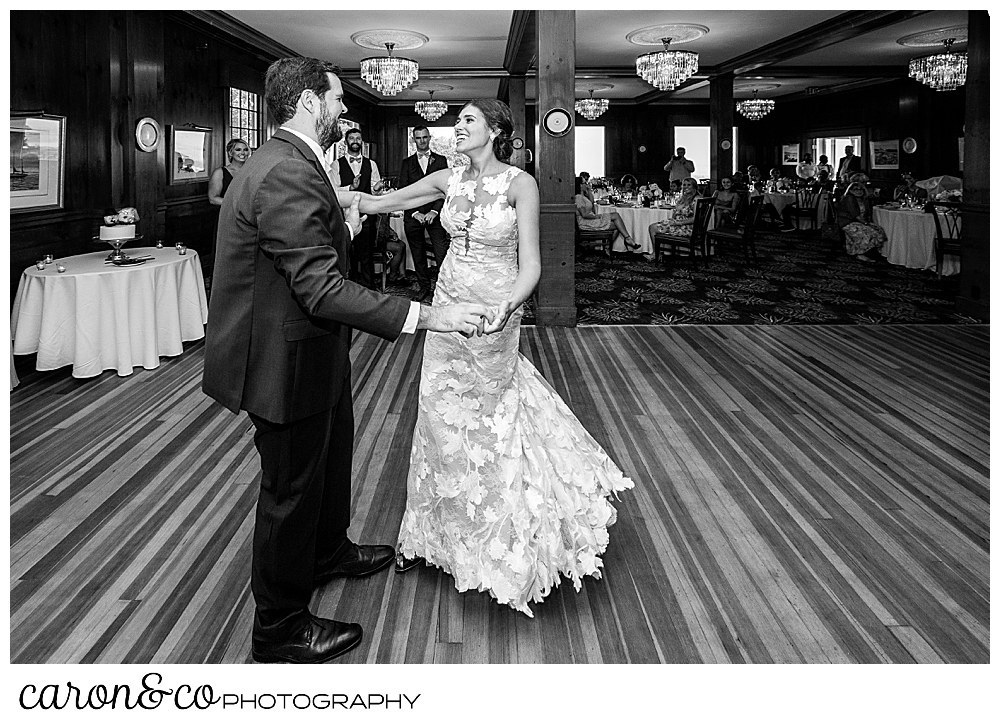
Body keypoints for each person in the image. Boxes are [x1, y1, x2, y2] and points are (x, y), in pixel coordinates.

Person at [202, 57, 493, 665]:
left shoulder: (288, 161)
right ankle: (278, 627)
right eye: (336, 100)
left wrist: (348, 212)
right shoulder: (285, 170)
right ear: (309, 102)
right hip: (282, 363)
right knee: (291, 490)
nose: (343, 109)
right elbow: (319, 287)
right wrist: (427, 317)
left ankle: (329, 551)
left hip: (312, 351)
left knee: (331, 458)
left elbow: (310, 242)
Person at [361, 99, 634, 617]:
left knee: (490, 419)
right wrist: (342, 194)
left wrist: (507, 307)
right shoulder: (447, 180)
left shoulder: (520, 184)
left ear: (496, 131)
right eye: (457, 121)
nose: (457, 128)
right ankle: (429, 536)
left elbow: (530, 266)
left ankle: (502, 539)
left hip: (494, 313)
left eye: (467, 121)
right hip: (447, 308)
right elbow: (383, 204)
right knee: (439, 417)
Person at [398, 126, 450, 301]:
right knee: (418, 254)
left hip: (435, 215)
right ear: (414, 140)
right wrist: (414, 213)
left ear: (430, 138)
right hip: (413, 216)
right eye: (418, 138)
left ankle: (445, 289)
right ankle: (424, 288)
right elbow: (403, 191)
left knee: (441, 253)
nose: (422, 141)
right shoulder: (406, 163)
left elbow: (445, 190)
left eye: (425, 137)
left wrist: (435, 210)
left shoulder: (441, 160)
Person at [336, 128, 382, 288]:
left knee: (366, 255)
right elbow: (333, 191)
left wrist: (376, 189)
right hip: (345, 217)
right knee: (349, 254)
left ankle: (369, 288)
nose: (355, 141)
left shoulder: (371, 164)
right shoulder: (336, 164)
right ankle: (350, 288)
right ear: (346, 142)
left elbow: (374, 192)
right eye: (352, 138)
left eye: (358, 138)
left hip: (367, 215)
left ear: (361, 141)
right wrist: (350, 187)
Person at [574, 176, 637, 252]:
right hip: (586, 222)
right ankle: (626, 239)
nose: (587, 184)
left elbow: (592, 202)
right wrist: (598, 216)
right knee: (616, 217)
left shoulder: (583, 196)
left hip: (590, 219)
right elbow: (584, 215)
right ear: (580, 185)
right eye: (584, 183)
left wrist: (589, 190)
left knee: (617, 224)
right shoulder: (578, 197)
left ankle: (616, 243)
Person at [836, 181, 886, 262]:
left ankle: (870, 252)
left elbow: (868, 213)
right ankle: (860, 254)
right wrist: (867, 224)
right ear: (850, 190)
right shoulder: (849, 198)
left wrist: (869, 223)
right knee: (870, 232)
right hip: (847, 222)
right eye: (856, 189)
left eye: (861, 189)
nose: (859, 191)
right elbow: (855, 215)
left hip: (859, 222)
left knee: (879, 230)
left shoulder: (864, 200)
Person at [648, 176, 699, 244]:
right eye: (684, 185)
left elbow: (695, 218)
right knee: (653, 226)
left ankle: (656, 253)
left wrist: (678, 223)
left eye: (689, 185)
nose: (686, 187)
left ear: (694, 186)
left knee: (653, 228)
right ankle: (659, 251)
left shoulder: (696, 199)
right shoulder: (683, 198)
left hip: (687, 228)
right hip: (678, 224)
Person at [208, 138, 250, 206]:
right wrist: (239, 205)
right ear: (230, 153)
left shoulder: (252, 171)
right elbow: (213, 199)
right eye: (238, 150)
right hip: (226, 214)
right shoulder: (219, 173)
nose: (242, 153)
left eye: (245, 150)